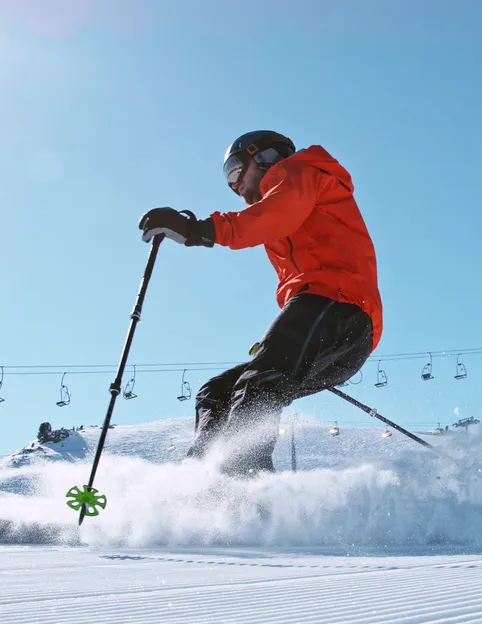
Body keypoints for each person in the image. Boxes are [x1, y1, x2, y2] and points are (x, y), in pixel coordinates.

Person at [138, 131, 382, 474]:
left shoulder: (297, 172)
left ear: (264, 156)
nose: (235, 185)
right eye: (228, 178)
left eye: (236, 170)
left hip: (340, 306)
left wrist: (197, 230)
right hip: (338, 329)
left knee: (258, 384)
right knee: (217, 393)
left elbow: (271, 217)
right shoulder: (288, 197)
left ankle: (243, 490)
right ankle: (199, 479)